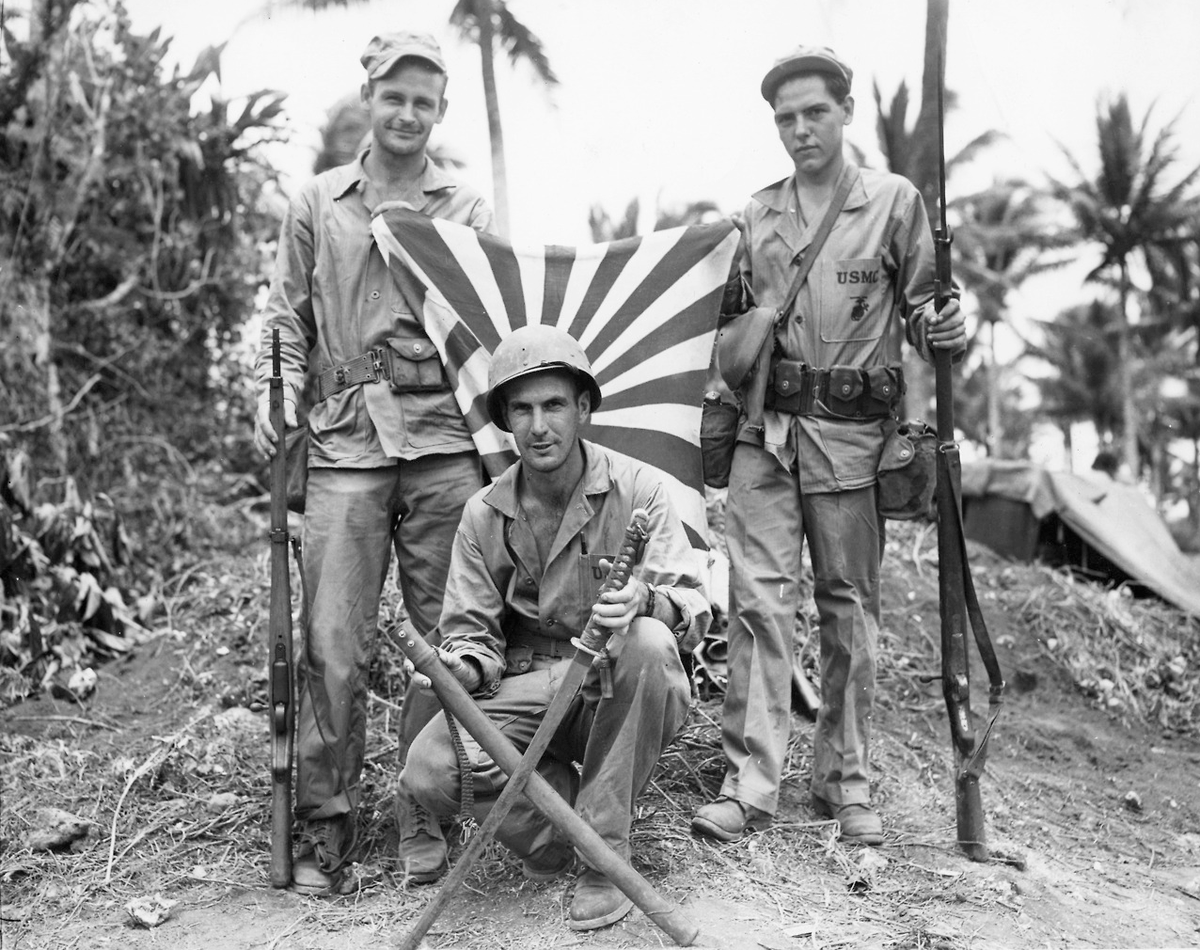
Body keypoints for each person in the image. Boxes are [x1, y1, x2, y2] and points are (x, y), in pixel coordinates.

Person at [691, 46, 968, 846]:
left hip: (852, 441)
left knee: (849, 613)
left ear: (846, 111)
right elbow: (727, 329)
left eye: (815, 112)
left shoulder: (893, 202)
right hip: (764, 440)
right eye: (785, 117)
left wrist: (943, 323)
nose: (801, 129)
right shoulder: (757, 215)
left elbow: (924, 309)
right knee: (758, 608)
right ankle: (748, 786)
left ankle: (846, 785)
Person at [253, 31, 495, 894]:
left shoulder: (464, 208)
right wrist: (272, 392)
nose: (407, 113)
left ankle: (426, 818)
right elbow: (287, 318)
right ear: (370, 96)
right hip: (345, 442)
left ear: (440, 111)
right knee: (332, 644)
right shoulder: (320, 201)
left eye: (424, 100)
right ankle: (324, 828)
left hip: (441, 442)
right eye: (394, 96)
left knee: (447, 644)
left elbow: (487, 323)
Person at [395, 325, 710, 930]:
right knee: (428, 770)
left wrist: (647, 600)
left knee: (649, 642)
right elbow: (471, 636)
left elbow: (693, 607)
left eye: (554, 405)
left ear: (584, 408)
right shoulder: (482, 512)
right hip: (524, 687)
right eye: (522, 409)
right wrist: (455, 669)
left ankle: (605, 853)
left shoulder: (639, 490)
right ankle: (557, 829)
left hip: (608, 689)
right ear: (506, 421)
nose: (539, 426)